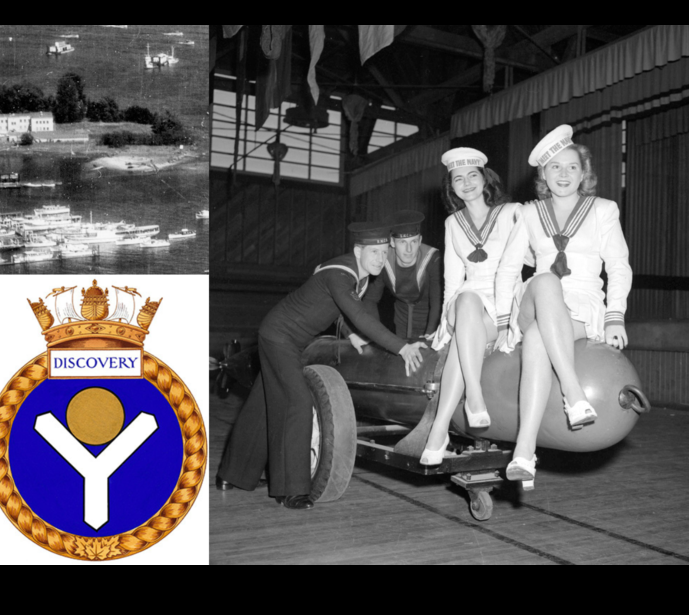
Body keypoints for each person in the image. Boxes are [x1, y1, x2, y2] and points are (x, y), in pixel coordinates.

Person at [216, 220, 427, 509]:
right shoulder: (341, 275)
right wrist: (402, 347)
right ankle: (290, 490)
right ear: (357, 251)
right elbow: (358, 314)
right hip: (280, 337)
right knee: (298, 402)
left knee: (262, 404)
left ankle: (232, 474)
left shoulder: (357, 274)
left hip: (288, 337)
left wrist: (351, 335)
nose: (380, 258)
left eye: (383, 253)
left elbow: (340, 312)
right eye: (373, 252)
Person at [495, 124, 632, 485]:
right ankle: (573, 392)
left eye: (572, 166)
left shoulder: (603, 210)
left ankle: (524, 451)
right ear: (543, 175)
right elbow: (508, 268)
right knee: (544, 280)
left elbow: (618, 265)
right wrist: (501, 321)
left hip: (581, 307)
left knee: (541, 338)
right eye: (555, 167)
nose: (564, 174)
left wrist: (616, 316)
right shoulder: (527, 214)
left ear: (584, 172)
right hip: (533, 303)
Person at [420, 148, 521, 465]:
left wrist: (506, 320)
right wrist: (442, 326)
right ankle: (474, 396)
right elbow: (452, 278)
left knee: (461, 345)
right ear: (451, 187)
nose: (466, 183)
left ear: (485, 178)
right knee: (464, 300)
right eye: (457, 179)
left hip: (502, 300)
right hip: (467, 299)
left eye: (472, 175)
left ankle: (439, 429)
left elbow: (514, 268)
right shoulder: (452, 223)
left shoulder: (511, 213)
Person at [360, 211, 442, 347]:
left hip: (431, 319)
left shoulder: (432, 258)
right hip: (402, 319)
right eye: (402, 242)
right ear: (392, 242)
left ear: (420, 240)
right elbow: (370, 299)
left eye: (414, 242)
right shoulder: (383, 259)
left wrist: (430, 334)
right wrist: (375, 334)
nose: (409, 249)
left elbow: (437, 301)